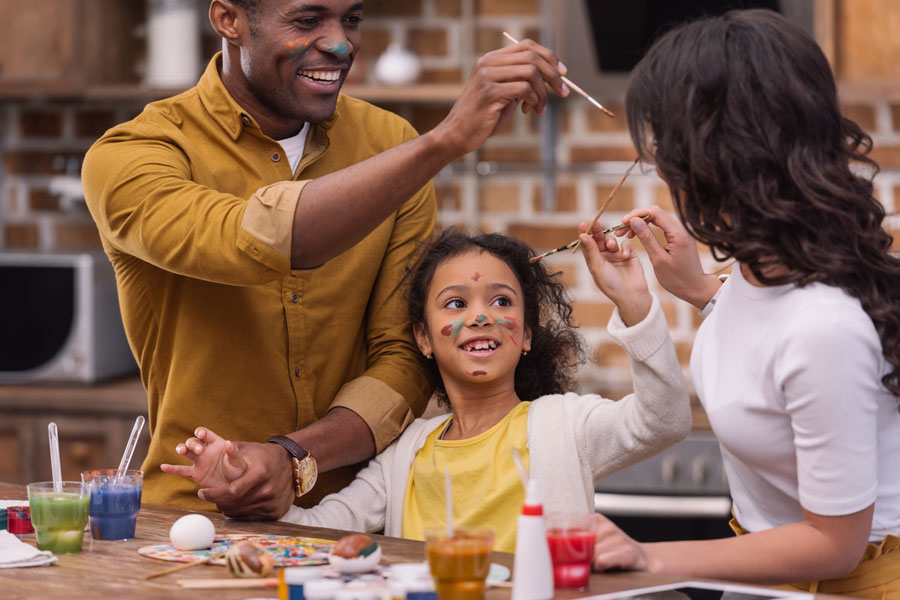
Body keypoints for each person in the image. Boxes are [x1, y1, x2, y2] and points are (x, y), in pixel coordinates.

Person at [81, 0, 573, 517]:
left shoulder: (388, 145)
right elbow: (253, 240)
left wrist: (294, 456)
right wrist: (445, 141)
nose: (340, 44)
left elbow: (404, 355)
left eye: (352, 20)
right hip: (195, 519)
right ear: (229, 20)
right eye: (307, 20)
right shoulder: (133, 155)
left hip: (357, 517)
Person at [587, 9, 900, 598]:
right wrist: (702, 290)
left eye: (669, 146)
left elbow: (837, 544)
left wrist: (646, 556)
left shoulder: (825, 327)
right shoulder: (764, 275)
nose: (661, 165)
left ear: (724, 156)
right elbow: (769, 346)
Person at [167, 228, 692, 552]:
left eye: (503, 302)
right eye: (457, 304)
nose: (482, 315)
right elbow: (323, 529)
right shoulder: (406, 452)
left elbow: (664, 420)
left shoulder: (564, 424)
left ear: (527, 334)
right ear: (422, 337)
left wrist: (636, 304)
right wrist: (244, 485)